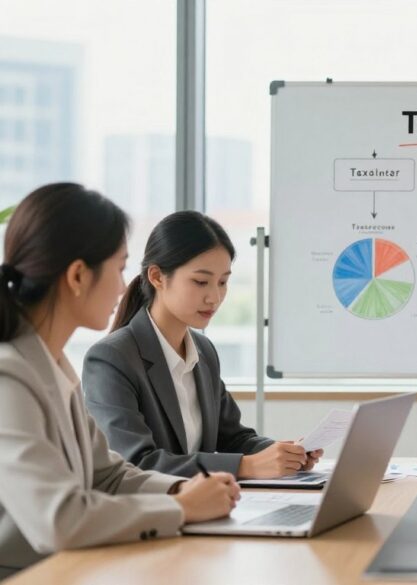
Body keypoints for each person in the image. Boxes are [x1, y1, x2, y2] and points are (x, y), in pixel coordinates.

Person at [0, 183, 239, 578]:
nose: (123, 285)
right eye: (119, 267)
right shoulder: (9, 377)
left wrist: (180, 489)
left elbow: (107, 474)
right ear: (78, 275)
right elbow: (59, 519)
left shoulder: (54, 367)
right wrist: (180, 508)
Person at [82, 211, 323, 479]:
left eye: (223, 282)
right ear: (157, 277)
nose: (215, 297)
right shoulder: (111, 358)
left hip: (205, 501)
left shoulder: (203, 351)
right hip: (154, 504)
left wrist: (286, 454)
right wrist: (247, 466)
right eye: (200, 282)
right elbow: (136, 463)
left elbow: (234, 437)